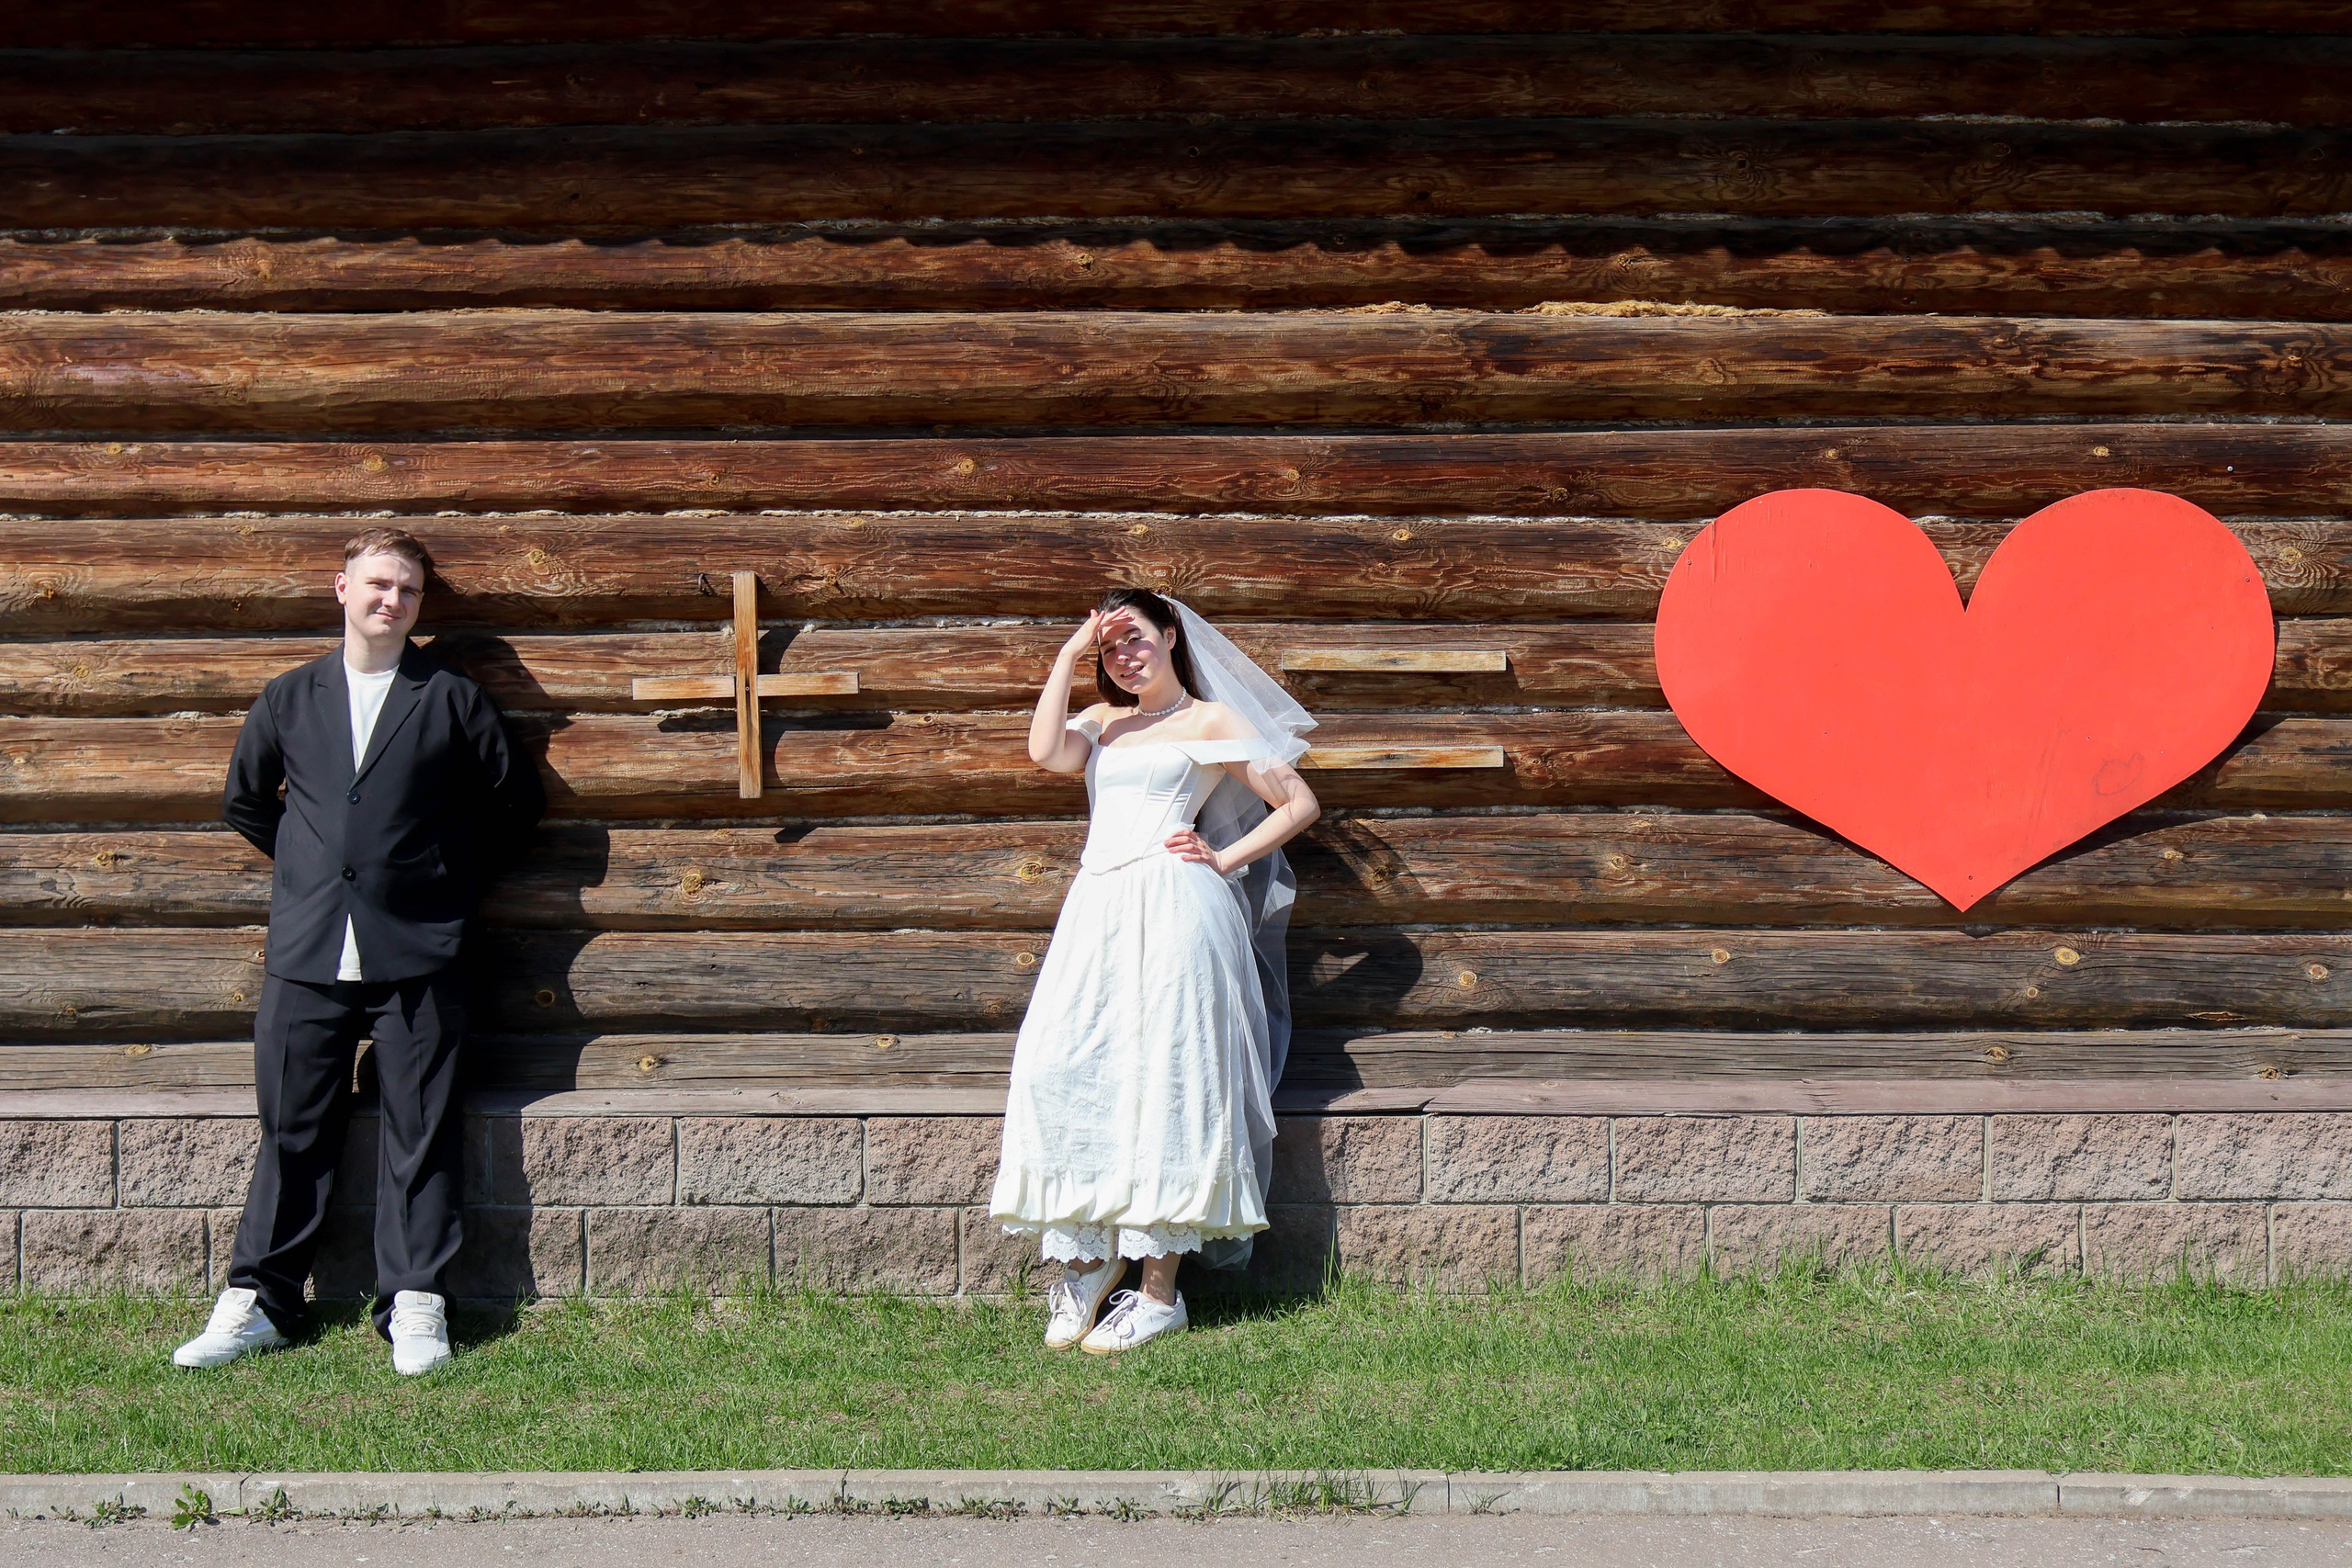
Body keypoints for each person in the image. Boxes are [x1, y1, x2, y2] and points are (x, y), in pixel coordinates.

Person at [174, 527, 545, 1376]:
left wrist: (435, 875)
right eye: (379, 584)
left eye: (409, 591)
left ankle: (415, 1300)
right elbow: (245, 801)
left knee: (419, 1131)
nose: (393, 602)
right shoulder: (289, 697)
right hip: (308, 949)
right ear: (340, 588)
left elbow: (515, 803)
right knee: (292, 1129)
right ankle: (260, 1300)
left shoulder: (448, 697)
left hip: (419, 949)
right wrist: (315, 870)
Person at [989, 588, 1319, 1354]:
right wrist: (1069, 656)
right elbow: (1044, 752)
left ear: (1170, 634)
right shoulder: (1102, 723)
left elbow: (1297, 801)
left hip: (1175, 907)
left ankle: (1159, 1293)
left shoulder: (1212, 721)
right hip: (1097, 907)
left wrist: (1223, 856)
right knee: (1058, 1067)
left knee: (1169, 1077)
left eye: (1134, 638)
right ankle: (1085, 1263)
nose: (1124, 656)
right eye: (1111, 648)